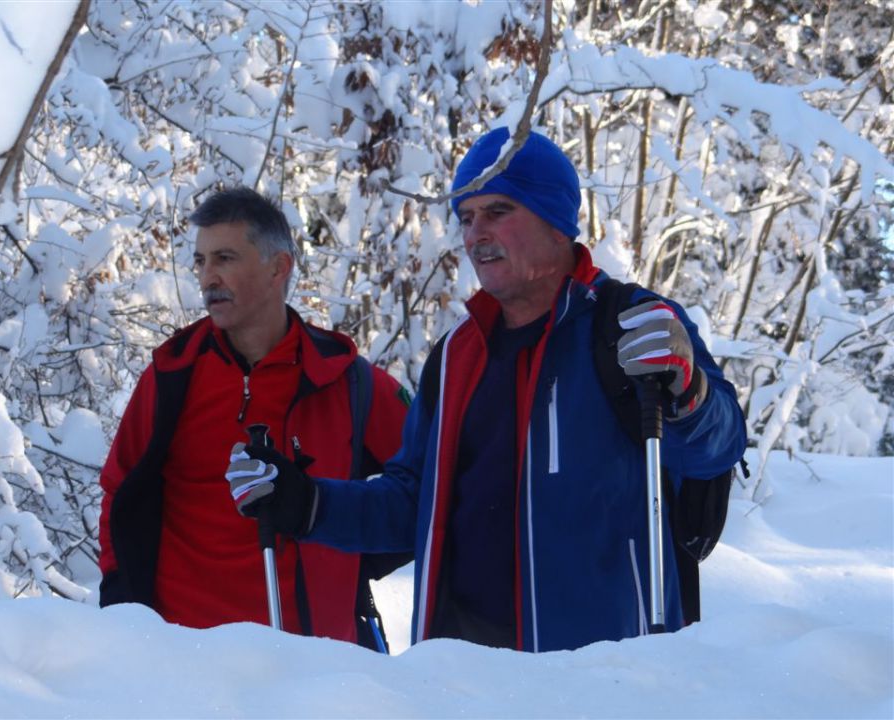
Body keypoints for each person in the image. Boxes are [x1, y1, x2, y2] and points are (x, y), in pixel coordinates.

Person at [225, 129, 747, 653]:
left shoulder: (630, 326)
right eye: (466, 217)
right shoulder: (457, 356)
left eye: (498, 211)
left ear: (556, 219)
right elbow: (413, 504)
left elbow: (717, 446)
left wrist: (689, 390)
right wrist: (305, 502)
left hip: (602, 678)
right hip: (463, 677)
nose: (476, 234)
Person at [98, 187, 410, 648]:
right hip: (183, 657)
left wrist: (350, 560)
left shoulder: (347, 380)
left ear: (278, 268)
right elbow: (118, 488)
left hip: (313, 664)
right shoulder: (173, 373)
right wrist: (121, 599)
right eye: (201, 261)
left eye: (225, 258)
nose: (208, 277)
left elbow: (434, 488)